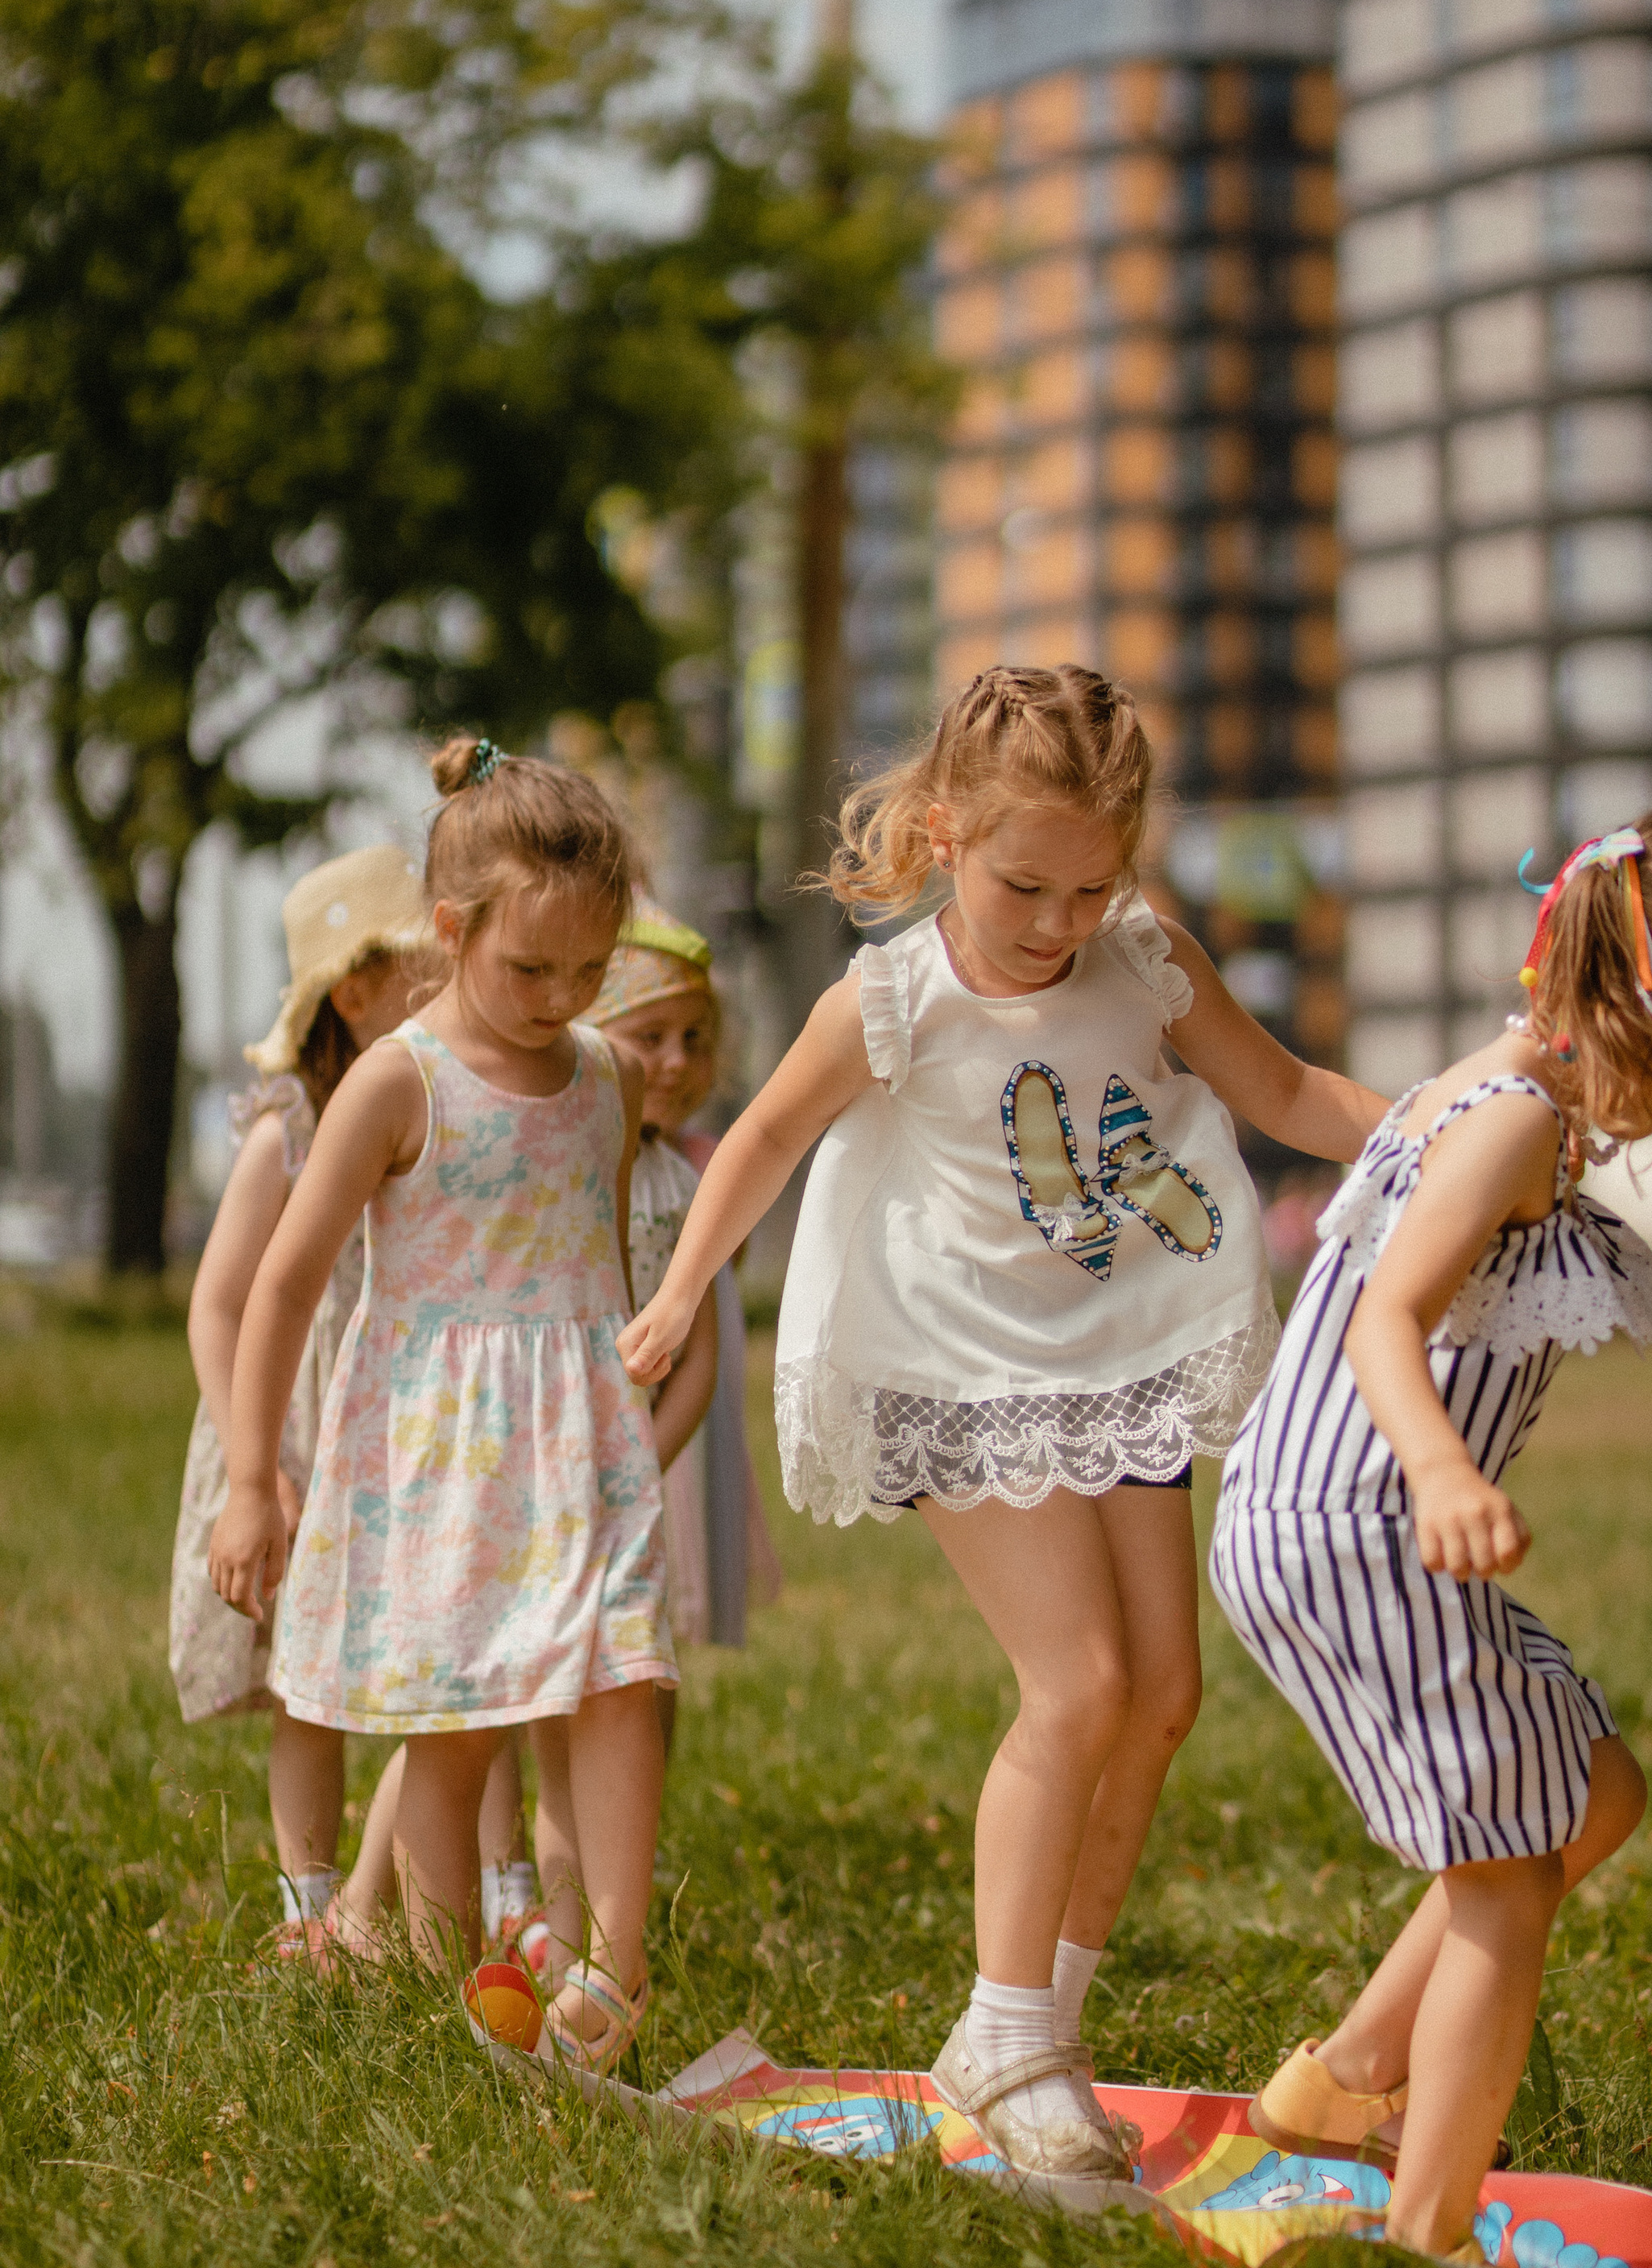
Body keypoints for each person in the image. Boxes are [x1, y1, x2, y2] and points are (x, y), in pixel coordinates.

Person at [619, 663, 1388, 2179]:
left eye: (1090, 888)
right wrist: (676, 1294)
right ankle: (1008, 2026)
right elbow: (766, 1135)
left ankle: (1039, 2025)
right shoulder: (895, 994)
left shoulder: (1144, 959)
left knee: (1164, 1690)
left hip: (1114, 1346)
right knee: (1082, 1682)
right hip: (958, 1364)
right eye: (1025, 883)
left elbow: (1290, 1091)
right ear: (945, 831)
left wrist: (1456, 1120)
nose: (1055, 923)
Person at [1210, 811, 1652, 2265]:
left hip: (1327, 1524)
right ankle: (1429, 2236)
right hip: (1366, 1525)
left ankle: (1338, 2083)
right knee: (1510, 1878)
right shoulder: (1518, 1120)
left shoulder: (1502, 1081)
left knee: (1592, 1792)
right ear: (1612, 979)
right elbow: (1389, 1319)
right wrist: (1444, 1474)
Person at [208, 735, 715, 2068]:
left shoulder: (605, 1075)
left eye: (589, 971)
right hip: (442, 1449)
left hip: (580, 1435)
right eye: (527, 968)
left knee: (620, 1681)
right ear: (451, 929)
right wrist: (254, 1476)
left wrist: (632, 1384)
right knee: (460, 1722)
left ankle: (617, 1964)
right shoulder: (399, 1080)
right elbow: (281, 1287)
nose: (560, 998)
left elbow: (599, 1261)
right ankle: (452, 1987)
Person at [170, 846, 428, 1948]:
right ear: (356, 991)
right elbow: (222, 1306)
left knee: (438, 1660)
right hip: (299, 1428)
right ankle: (312, 1910)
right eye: (430, 965)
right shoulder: (290, 1131)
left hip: (405, 1420)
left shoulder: (434, 1104)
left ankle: (439, 1894)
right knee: (305, 1688)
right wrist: (252, 1465)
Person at [586, 901, 779, 1663]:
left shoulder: (692, 1175)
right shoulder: (566, 1168)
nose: (674, 1060)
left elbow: (702, 1341)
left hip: (653, 1447)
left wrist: (640, 1465)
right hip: (558, 1437)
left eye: (694, 1040)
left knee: (644, 1641)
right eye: (648, 1037)